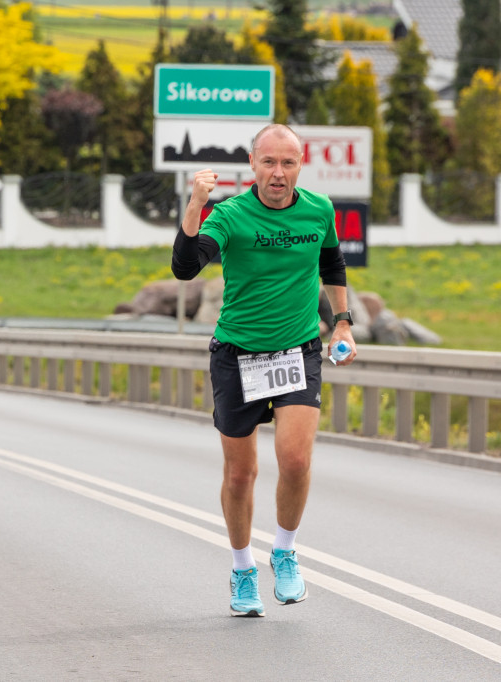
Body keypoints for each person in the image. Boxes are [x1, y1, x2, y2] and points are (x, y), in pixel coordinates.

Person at [170, 124, 356, 618]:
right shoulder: (229, 216)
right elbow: (186, 267)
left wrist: (341, 323)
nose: (278, 173)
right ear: (253, 163)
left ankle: (285, 552)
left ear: (301, 164)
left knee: (295, 461)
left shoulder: (318, 209)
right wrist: (196, 203)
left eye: (288, 163)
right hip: (237, 355)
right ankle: (242, 569)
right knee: (241, 473)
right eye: (269, 162)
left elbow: (331, 263)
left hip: (296, 351)